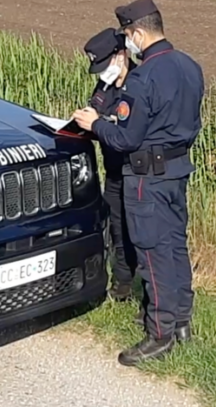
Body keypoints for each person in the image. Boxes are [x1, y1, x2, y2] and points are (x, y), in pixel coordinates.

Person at [72, 0, 204, 367]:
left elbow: (125, 139)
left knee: (152, 253)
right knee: (175, 247)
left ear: (138, 34)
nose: (128, 42)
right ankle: (181, 321)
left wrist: (95, 124)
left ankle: (159, 334)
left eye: (128, 35)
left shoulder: (144, 78)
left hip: (146, 178)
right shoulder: (190, 66)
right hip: (177, 171)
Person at [82, 27, 137, 302]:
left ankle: (147, 291)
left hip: (136, 172)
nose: (104, 72)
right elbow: (96, 113)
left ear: (121, 55)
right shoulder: (104, 86)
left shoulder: (138, 84)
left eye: (106, 65)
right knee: (117, 227)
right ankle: (122, 284)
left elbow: (128, 133)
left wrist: (99, 124)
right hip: (113, 171)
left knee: (138, 230)